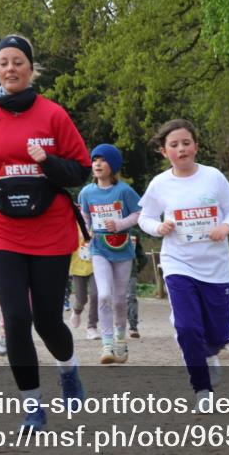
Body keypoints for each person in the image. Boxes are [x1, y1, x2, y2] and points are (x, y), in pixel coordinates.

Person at [0, 34, 91, 430]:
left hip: (50, 226)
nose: (10, 68)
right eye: (3, 62)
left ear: (31, 69)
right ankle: (32, 404)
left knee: (47, 320)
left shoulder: (53, 115)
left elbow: (79, 169)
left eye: (18, 61)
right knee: (16, 316)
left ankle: (68, 370)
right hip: (1, 228)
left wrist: (48, 160)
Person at [138, 119, 229, 412]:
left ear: (196, 146)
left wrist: (225, 226)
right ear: (164, 152)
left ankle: (209, 354)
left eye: (186, 142)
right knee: (187, 327)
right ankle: (202, 389)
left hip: (215, 266)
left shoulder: (213, 177)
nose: (181, 149)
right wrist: (158, 227)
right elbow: (144, 217)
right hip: (178, 263)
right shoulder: (160, 184)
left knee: (220, 334)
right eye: (174, 145)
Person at [78, 143, 141, 365]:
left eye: (103, 160)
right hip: (99, 248)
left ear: (112, 165)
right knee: (103, 294)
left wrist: (120, 223)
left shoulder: (123, 191)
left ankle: (121, 340)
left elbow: (139, 213)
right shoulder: (87, 192)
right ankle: (106, 343)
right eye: (95, 159)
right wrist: (86, 233)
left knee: (119, 299)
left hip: (122, 248)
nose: (97, 163)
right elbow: (84, 216)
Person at [67, 223, 99, 340]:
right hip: (77, 265)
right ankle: (77, 311)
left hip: (95, 264)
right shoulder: (71, 223)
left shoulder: (96, 222)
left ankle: (92, 326)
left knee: (96, 295)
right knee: (81, 298)